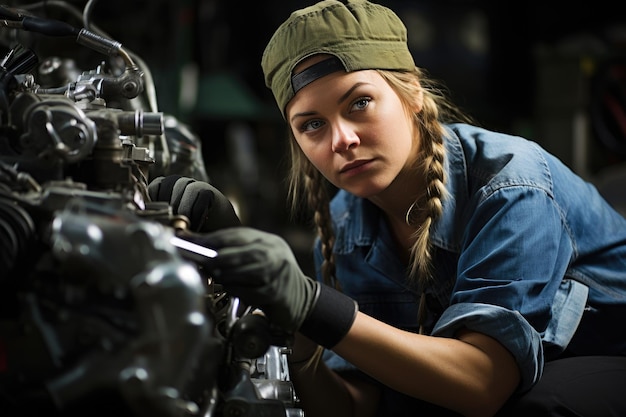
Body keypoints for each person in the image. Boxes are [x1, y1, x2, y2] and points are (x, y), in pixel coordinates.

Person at [156, 1, 626, 416]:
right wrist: (296, 336)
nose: (341, 139)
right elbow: (358, 405)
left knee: (538, 407)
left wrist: (316, 304)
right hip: (512, 379)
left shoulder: (510, 184)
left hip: (606, 362)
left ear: (413, 93)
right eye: (312, 124)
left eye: (359, 102)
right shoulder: (344, 223)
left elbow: (482, 385)